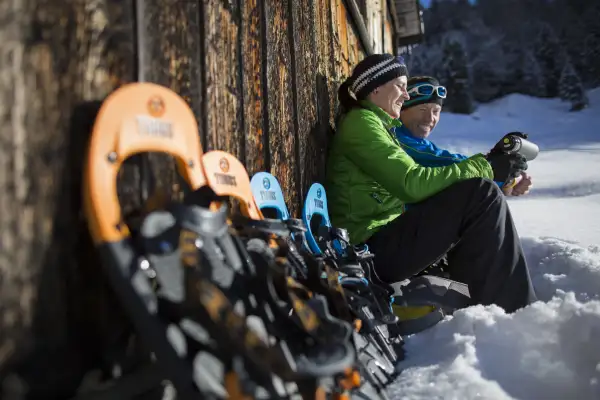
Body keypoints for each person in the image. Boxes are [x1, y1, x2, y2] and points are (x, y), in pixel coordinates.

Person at [325, 54, 537, 313]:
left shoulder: (377, 125)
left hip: (378, 242)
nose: (405, 96)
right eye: (401, 86)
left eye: (436, 111)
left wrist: (494, 170)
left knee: (479, 193)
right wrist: (487, 167)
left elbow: (431, 172)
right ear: (376, 87)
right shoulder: (362, 123)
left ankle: (490, 302)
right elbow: (411, 183)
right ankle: (516, 309)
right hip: (366, 250)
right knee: (479, 194)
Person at [394, 75, 532, 197]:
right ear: (401, 109)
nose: (430, 118)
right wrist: (492, 164)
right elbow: (446, 162)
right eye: (422, 109)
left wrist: (507, 181)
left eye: (436, 111)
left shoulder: (414, 140)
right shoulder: (397, 137)